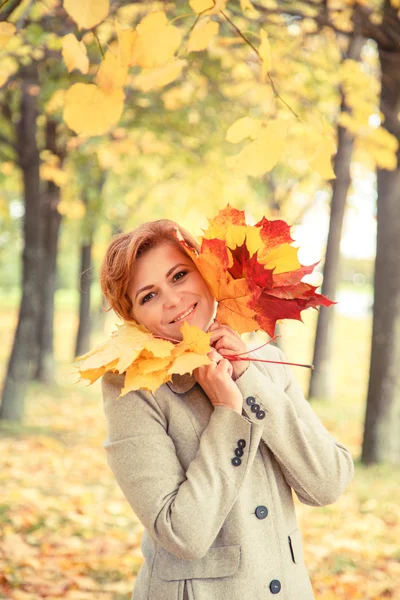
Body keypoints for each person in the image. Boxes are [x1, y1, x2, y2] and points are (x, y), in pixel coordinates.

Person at [99, 219, 354, 600]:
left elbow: (327, 483)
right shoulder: (133, 388)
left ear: (205, 272)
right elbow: (181, 534)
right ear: (133, 318)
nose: (172, 300)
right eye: (148, 296)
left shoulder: (266, 361)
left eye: (179, 275)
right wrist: (228, 415)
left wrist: (248, 380)